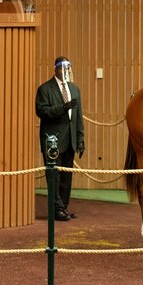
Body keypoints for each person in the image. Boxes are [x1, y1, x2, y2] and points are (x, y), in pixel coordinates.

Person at [35, 56, 85, 221]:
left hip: (70, 140)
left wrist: (80, 139)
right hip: (52, 140)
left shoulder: (74, 89)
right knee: (54, 177)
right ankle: (56, 209)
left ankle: (63, 207)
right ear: (55, 69)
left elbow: (78, 116)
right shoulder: (45, 89)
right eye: (63, 68)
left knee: (66, 177)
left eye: (68, 68)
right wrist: (61, 108)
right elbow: (42, 111)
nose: (66, 71)